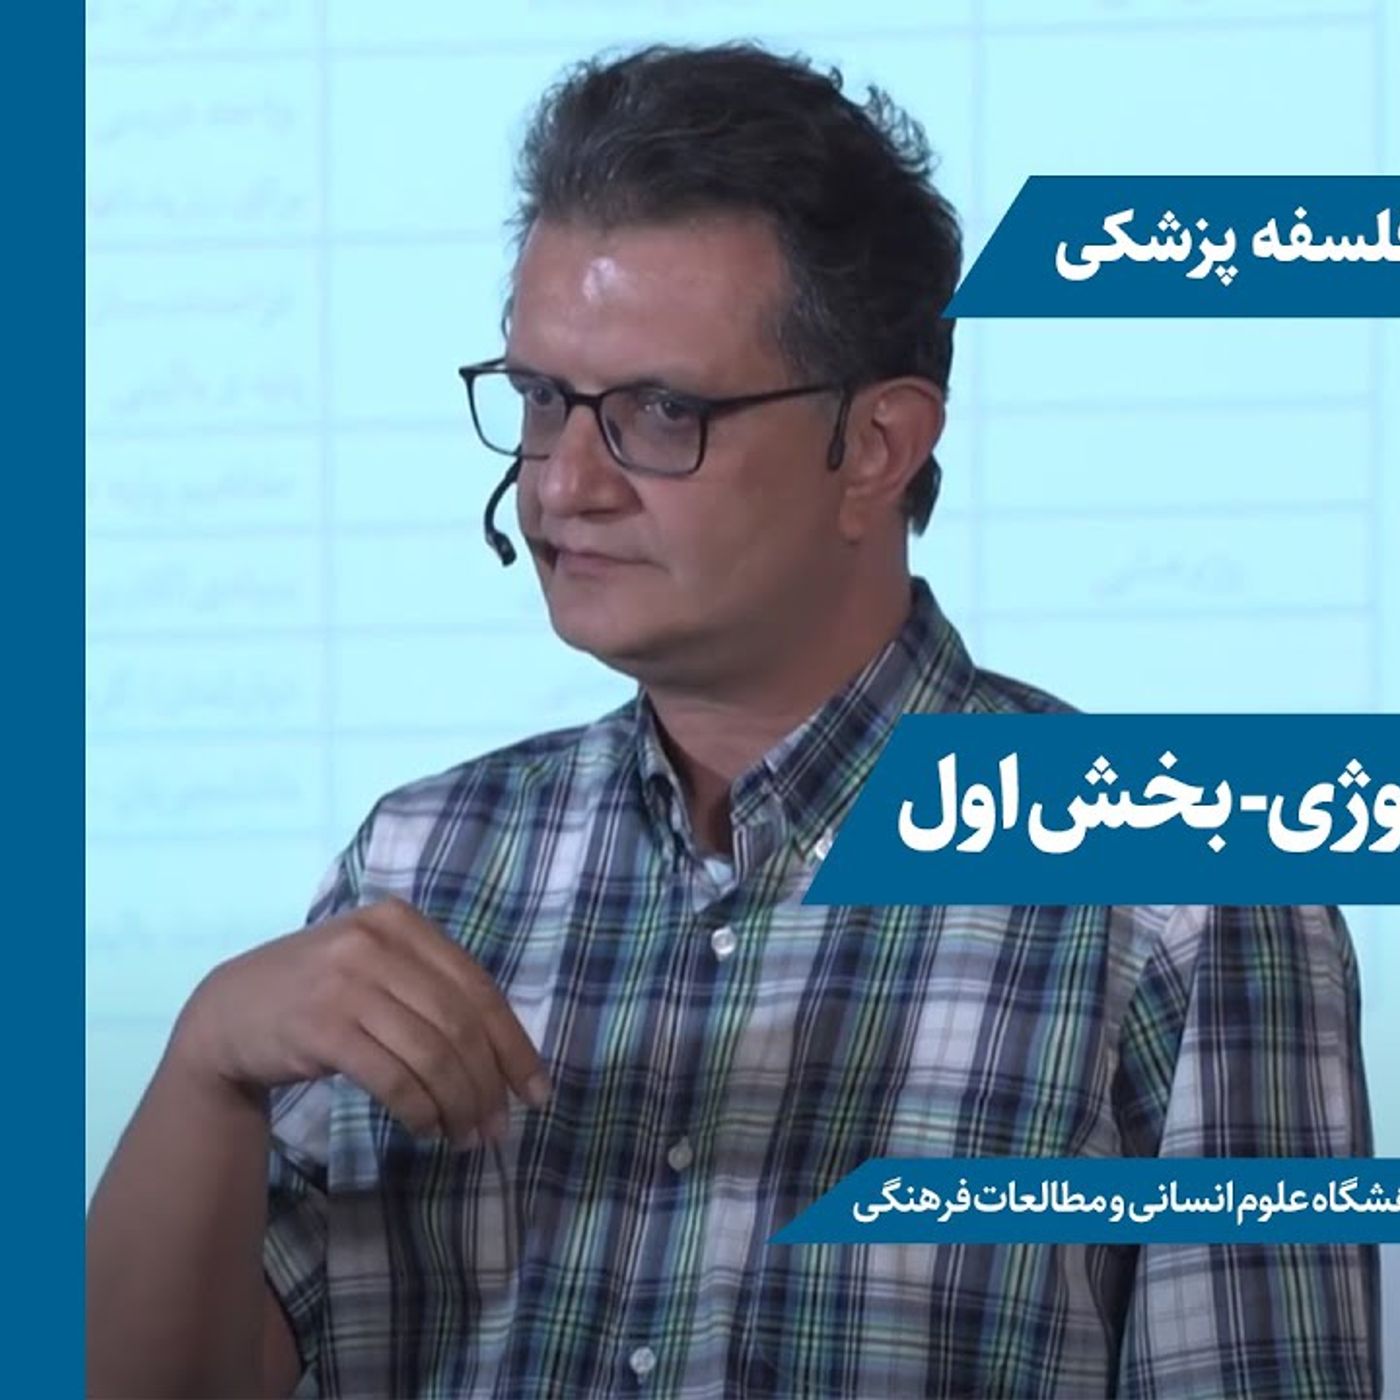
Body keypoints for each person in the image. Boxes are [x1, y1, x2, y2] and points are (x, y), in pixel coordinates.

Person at [86, 42, 1380, 1399]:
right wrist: (206, 1068)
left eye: (660, 412)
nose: (563, 486)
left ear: (875, 448)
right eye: (541, 401)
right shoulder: (419, 862)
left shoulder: (1181, 897)